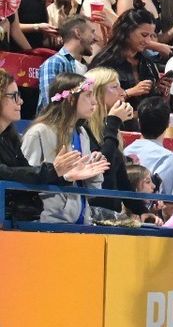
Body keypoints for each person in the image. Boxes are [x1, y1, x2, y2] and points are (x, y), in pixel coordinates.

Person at [0, 68, 109, 222]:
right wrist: (56, 171)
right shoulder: (39, 133)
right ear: (71, 99)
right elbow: (19, 178)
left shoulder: (83, 134)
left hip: (78, 223)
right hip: (43, 225)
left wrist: (83, 174)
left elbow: (27, 172)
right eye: (14, 96)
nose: (21, 101)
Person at [83, 66, 137, 209]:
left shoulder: (108, 127)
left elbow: (121, 179)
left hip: (111, 213)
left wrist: (141, 210)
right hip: (92, 212)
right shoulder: (82, 127)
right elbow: (101, 167)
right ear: (97, 93)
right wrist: (113, 122)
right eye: (115, 87)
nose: (122, 93)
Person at [91, 8, 166, 105]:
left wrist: (159, 89)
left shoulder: (148, 63)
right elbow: (96, 100)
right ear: (127, 31)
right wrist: (128, 93)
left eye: (151, 36)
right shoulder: (104, 62)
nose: (148, 41)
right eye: (144, 35)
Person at [124, 96, 173, 197]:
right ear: (168, 124)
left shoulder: (124, 152)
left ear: (139, 122)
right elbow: (171, 205)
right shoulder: (169, 160)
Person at [36, 16, 96, 105]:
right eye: (92, 32)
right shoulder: (54, 63)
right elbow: (50, 105)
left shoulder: (89, 68)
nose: (95, 38)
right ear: (78, 33)